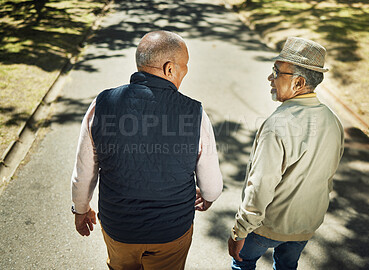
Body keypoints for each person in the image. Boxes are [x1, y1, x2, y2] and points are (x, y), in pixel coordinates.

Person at [71, 30, 223, 270]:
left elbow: (84, 169)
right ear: (169, 68)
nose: (186, 72)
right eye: (185, 66)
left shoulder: (102, 103)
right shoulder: (195, 113)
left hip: (119, 227)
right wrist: (209, 196)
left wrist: (80, 209)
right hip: (171, 230)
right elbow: (211, 186)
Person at [228, 37, 344, 270]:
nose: (270, 77)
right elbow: (328, 177)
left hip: (268, 226)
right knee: (287, 266)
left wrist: (239, 231)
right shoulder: (333, 121)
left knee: (243, 262)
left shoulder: (278, 124)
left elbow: (260, 185)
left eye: (277, 71)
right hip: (305, 226)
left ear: (299, 83)